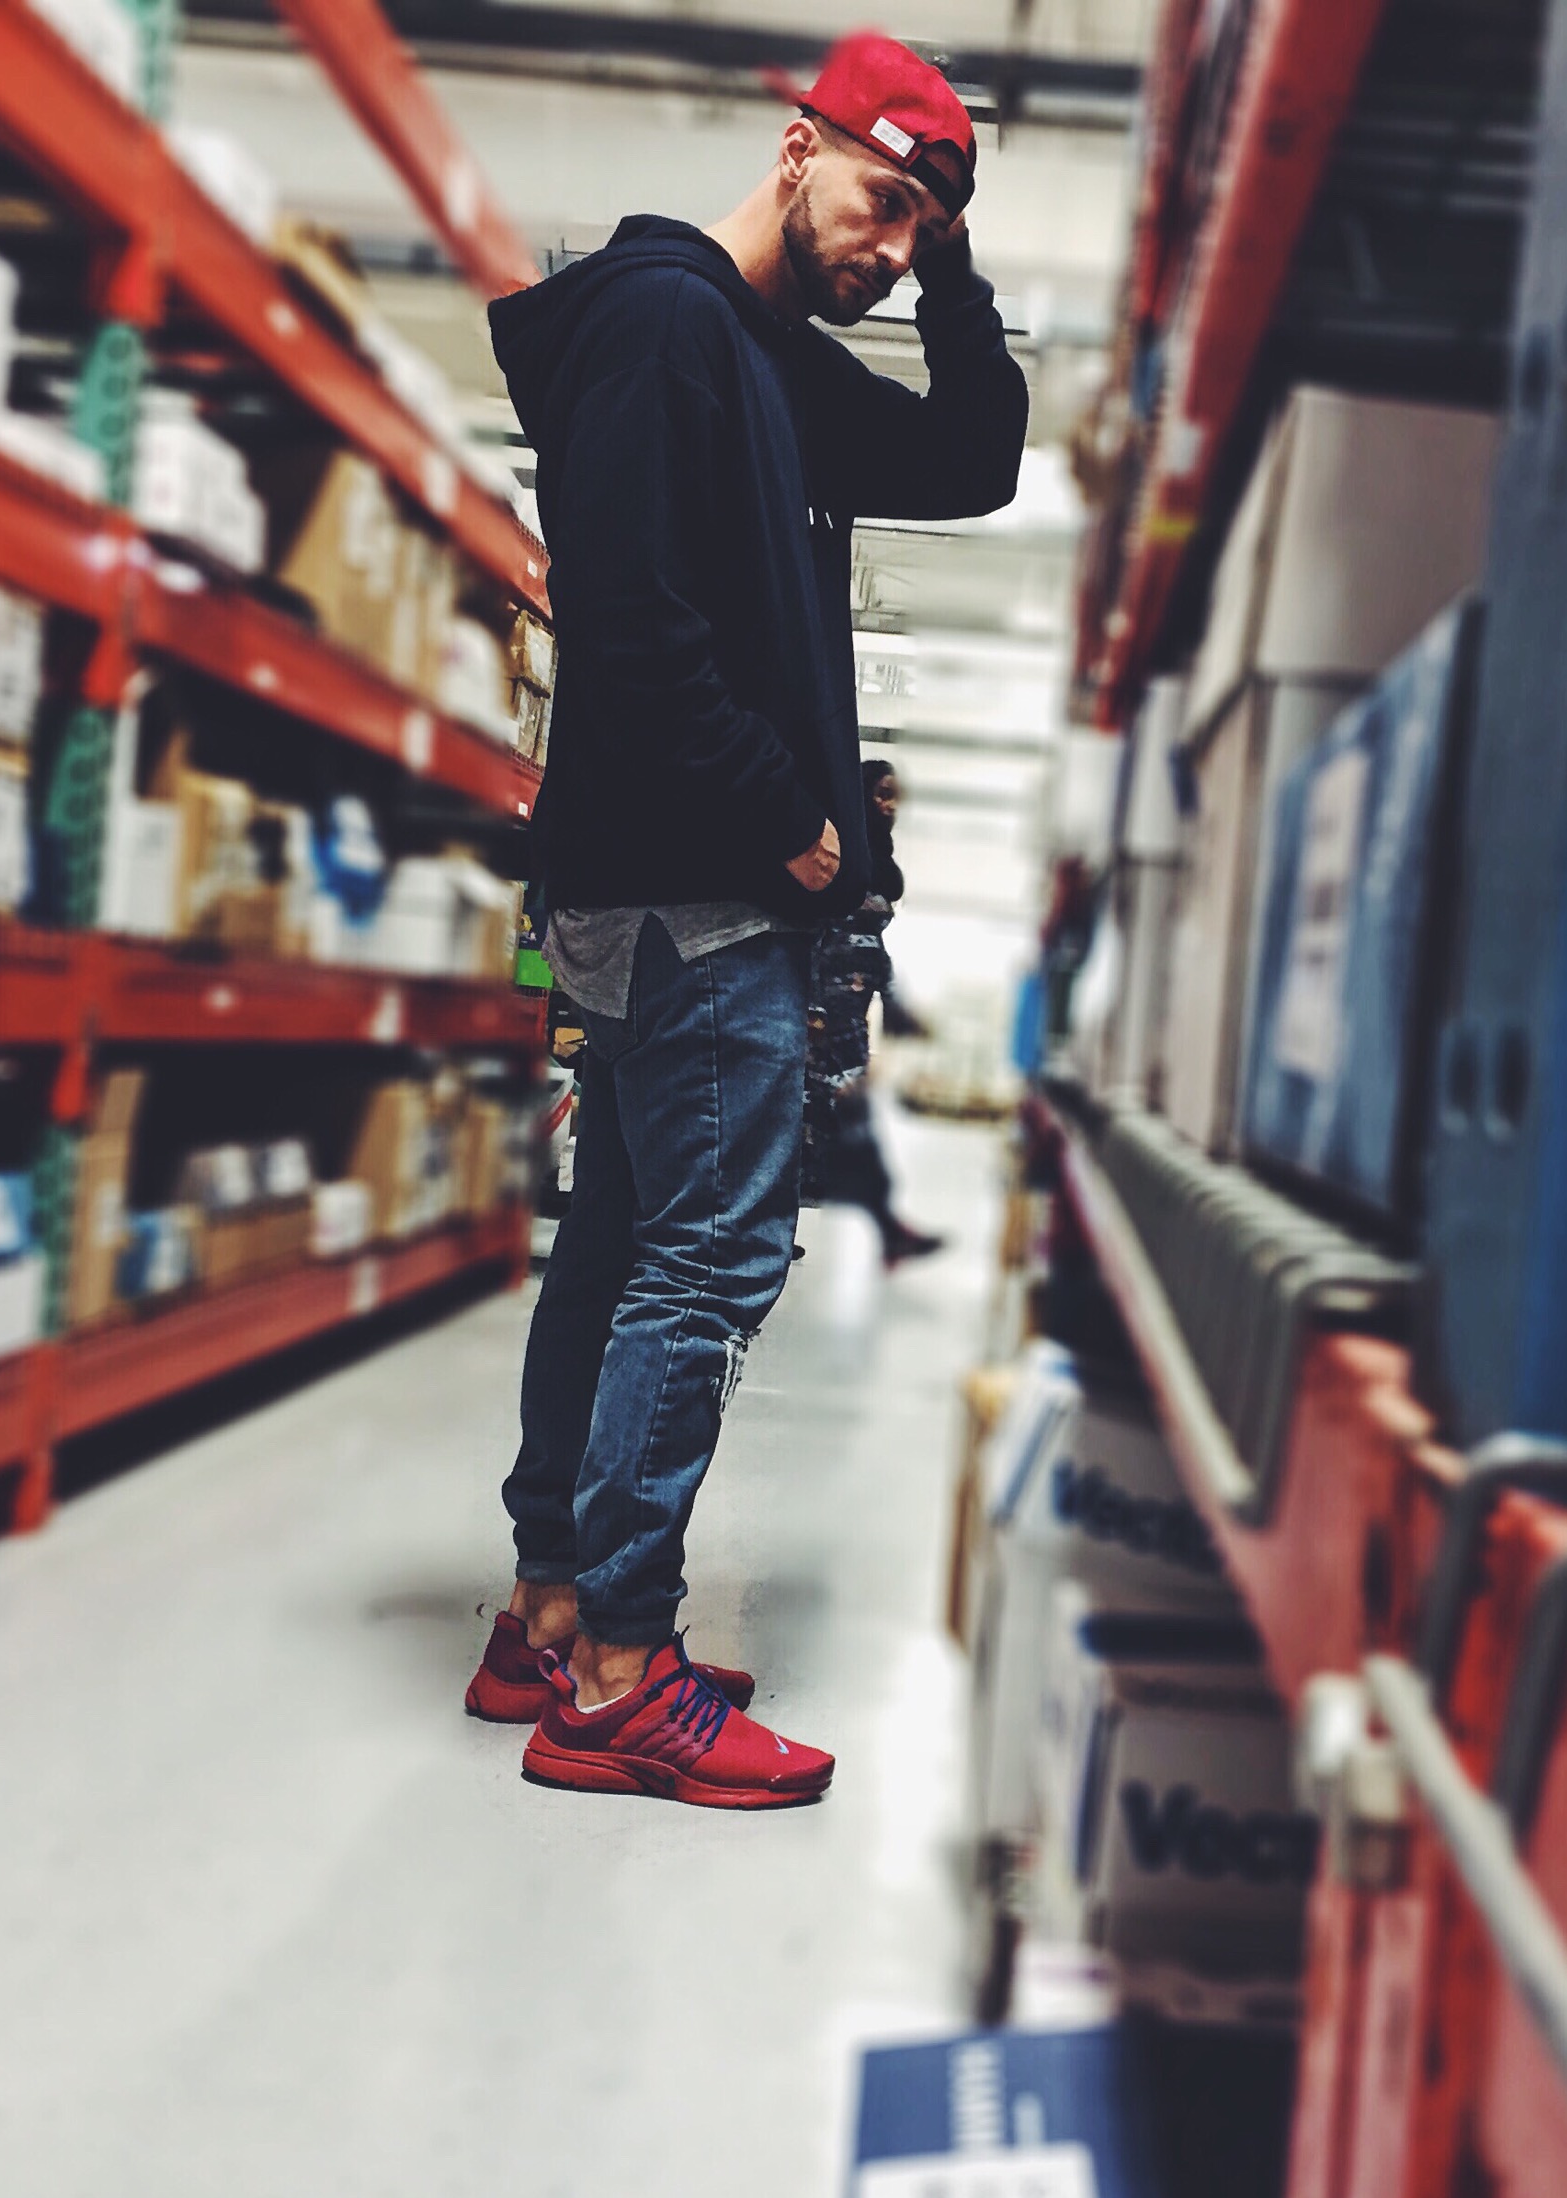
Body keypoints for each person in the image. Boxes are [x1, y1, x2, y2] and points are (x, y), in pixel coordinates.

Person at [464, 32, 1029, 1808]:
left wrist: (957, 267)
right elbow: (631, 621)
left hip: (666, 880)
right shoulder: (665, 326)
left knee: (625, 1236)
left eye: (923, 226)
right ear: (796, 148)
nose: (892, 247)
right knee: (708, 1258)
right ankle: (618, 1674)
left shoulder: (768, 358)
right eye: (882, 198)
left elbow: (977, 458)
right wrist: (791, 824)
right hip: (694, 880)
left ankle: (554, 1609)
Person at [806, 760, 945, 1266]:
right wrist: (813, 1010)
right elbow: (820, 933)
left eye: (896, 796)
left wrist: (894, 1001)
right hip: (826, 1016)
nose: (891, 805)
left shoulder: (875, 855)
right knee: (824, 1122)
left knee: (833, 1123)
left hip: (852, 1017)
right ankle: (888, 1229)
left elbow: (872, 949)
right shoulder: (839, 852)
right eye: (883, 793)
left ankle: (887, 1230)